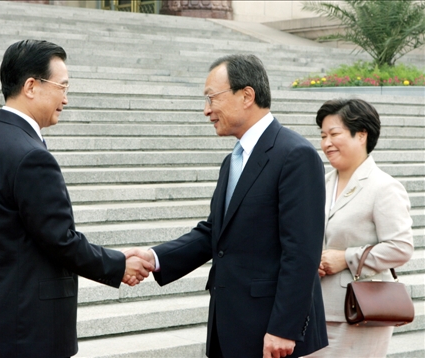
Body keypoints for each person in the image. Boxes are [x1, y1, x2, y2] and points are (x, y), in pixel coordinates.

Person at [125, 54, 328, 358]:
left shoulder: (294, 155)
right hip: (230, 326)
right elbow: (215, 233)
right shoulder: (233, 160)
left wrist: (285, 328)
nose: (207, 111)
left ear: (247, 95)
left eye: (212, 99)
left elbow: (302, 252)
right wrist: (155, 257)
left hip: (271, 334)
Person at [0, 39, 153, 358]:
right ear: (31, 86)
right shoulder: (29, 155)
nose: (66, 99)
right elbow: (60, 241)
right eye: (62, 87)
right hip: (34, 332)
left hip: (2, 323)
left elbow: (28, 237)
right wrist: (119, 264)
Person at [305, 98, 414, 357]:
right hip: (315, 308)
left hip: (359, 313)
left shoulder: (384, 187)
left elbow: (400, 247)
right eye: (322, 136)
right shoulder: (320, 183)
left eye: (334, 134)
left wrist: (346, 258)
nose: (326, 143)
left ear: (361, 135)